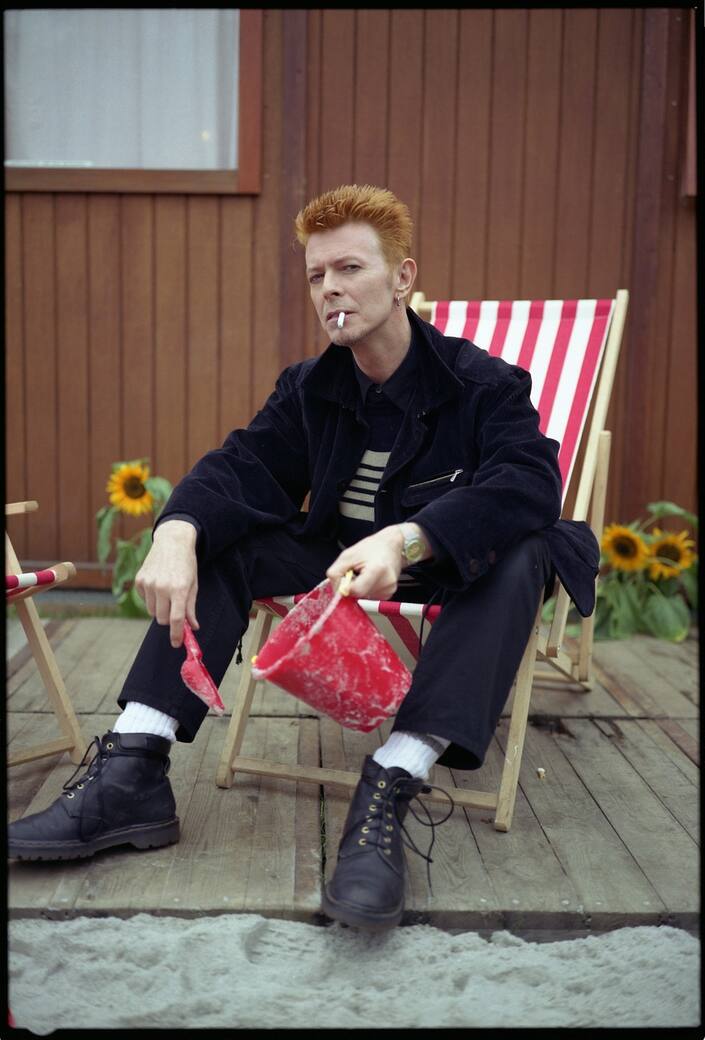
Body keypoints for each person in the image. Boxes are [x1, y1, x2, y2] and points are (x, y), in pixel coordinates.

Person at [8, 184, 599, 929]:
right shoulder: (311, 387)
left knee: (524, 551)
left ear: (403, 278)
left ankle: (392, 781)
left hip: (449, 563)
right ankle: (134, 767)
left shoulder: (481, 383)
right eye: (318, 275)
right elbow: (244, 465)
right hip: (336, 558)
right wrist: (177, 530)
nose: (330, 290)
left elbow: (527, 482)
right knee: (223, 537)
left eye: (349, 268)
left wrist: (407, 538)